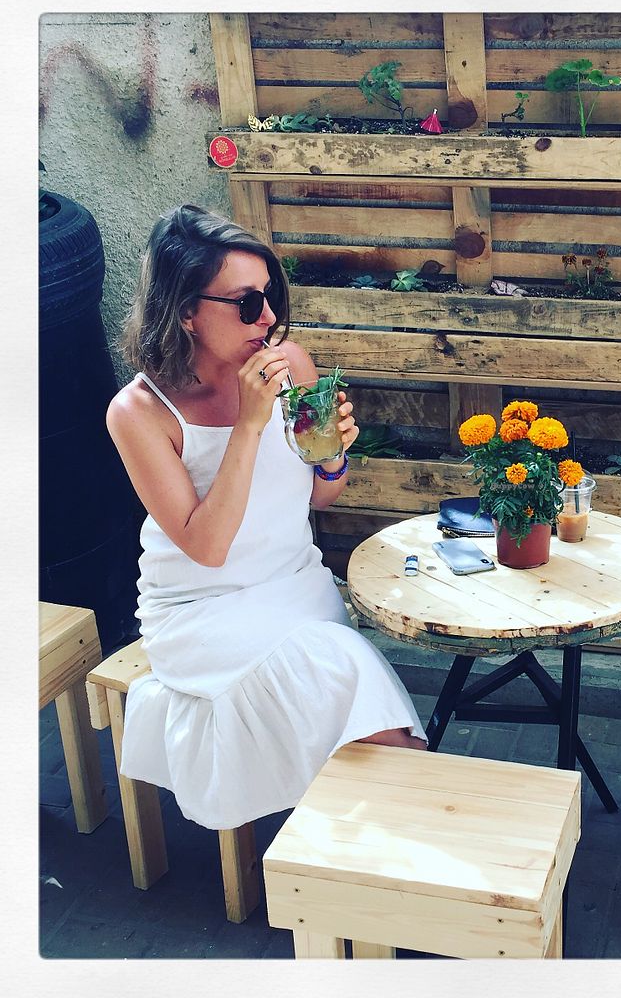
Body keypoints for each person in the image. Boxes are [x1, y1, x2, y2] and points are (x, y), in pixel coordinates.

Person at [106, 203, 427, 831]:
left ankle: (366, 845)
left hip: (294, 585)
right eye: (247, 303)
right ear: (186, 312)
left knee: (341, 686)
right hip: (201, 610)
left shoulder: (292, 365)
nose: (269, 318)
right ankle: (396, 833)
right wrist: (249, 425)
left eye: (271, 297)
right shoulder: (140, 411)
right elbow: (207, 547)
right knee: (356, 690)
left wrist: (332, 458)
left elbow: (320, 498)